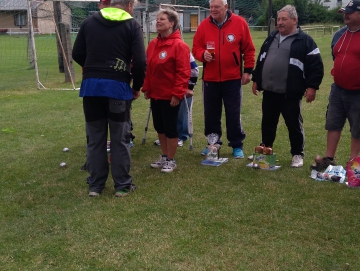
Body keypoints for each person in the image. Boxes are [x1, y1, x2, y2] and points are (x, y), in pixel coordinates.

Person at [72, 0, 146, 197]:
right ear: (129, 5)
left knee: (95, 138)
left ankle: (95, 186)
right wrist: (136, 86)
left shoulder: (89, 22)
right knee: (120, 139)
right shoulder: (132, 25)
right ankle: (122, 185)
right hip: (118, 88)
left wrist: (92, 66)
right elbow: (140, 61)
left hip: (92, 88)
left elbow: (77, 52)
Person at [251, 5, 324, 168]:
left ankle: (297, 154)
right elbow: (261, 59)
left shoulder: (305, 40)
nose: (280, 22)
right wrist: (256, 79)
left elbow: (316, 66)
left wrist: (312, 86)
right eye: (279, 19)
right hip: (270, 90)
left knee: (293, 124)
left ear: (294, 20)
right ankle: (265, 149)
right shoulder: (272, 37)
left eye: (284, 19)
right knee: (267, 122)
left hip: (290, 92)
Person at [192, 0, 255, 159]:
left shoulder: (240, 23)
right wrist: (202, 54)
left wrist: (248, 70)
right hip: (210, 80)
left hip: (232, 79)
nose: (213, 10)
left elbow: (249, 49)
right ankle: (213, 144)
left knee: (233, 113)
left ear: (226, 8)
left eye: (217, 7)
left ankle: (236, 145)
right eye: (211, 7)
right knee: (211, 114)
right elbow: (196, 48)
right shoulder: (203, 26)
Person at [142, 8, 190, 173]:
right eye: (157, 19)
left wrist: (177, 94)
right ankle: (164, 155)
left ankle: (171, 159)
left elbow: (183, 73)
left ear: (172, 23)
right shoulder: (153, 44)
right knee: (159, 127)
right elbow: (148, 69)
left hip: (170, 96)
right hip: (155, 94)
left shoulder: (179, 45)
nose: (158, 21)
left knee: (170, 127)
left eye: (162, 19)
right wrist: (146, 88)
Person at [322, 0, 360, 164]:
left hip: (358, 92)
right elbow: (335, 56)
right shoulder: (339, 34)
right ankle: (329, 158)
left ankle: (353, 163)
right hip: (338, 89)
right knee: (333, 123)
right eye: (345, 12)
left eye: (350, 12)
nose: (346, 15)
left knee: (357, 128)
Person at [154, 53, 199, 147]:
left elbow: (194, 69)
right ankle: (167, 135)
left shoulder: (182, 49)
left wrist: (190, 87)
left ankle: (181, 136)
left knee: (181, 113)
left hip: (182, 87)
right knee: (166, 114)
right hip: (166, 88)